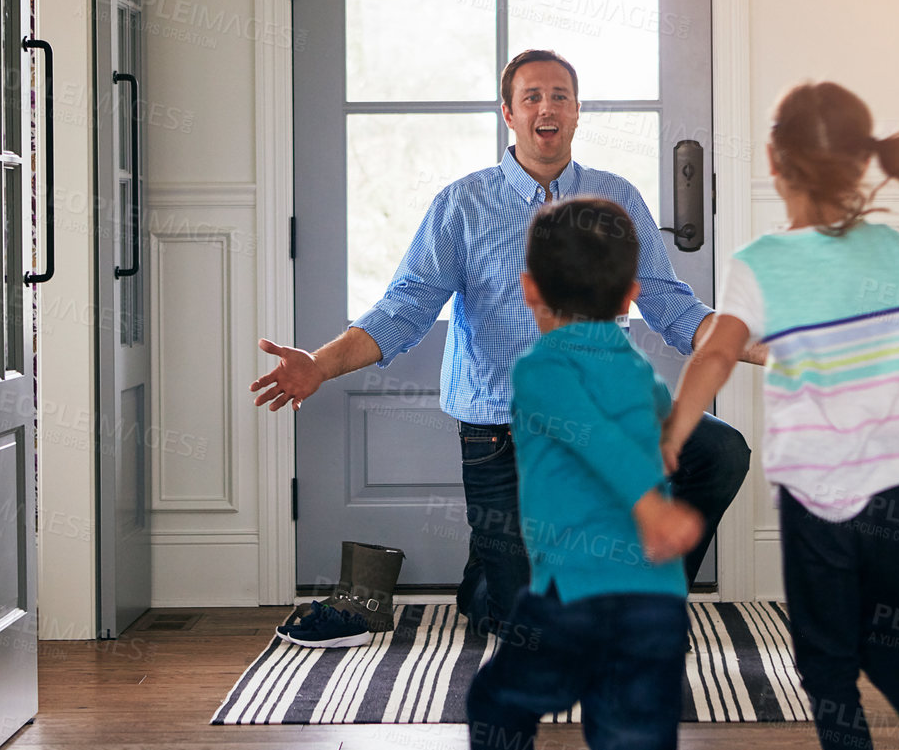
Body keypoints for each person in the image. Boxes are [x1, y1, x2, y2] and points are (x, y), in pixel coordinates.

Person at [252, 49, 758, 636]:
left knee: (718, 451)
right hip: (503, 434)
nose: (548, 107)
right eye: (532, 97)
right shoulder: (462, 204)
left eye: (560, 96)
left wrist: (757, 344)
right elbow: (405, 309)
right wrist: (318, 364)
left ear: (576, 113)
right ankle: (491, 576)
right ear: (509, 114)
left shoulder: (616, 198)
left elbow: (670, 304)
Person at [661, 81, 899, 750]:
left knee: (827, 666)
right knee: (883, 637)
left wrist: (674, 434)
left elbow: (718, 353)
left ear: (774, 159)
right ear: (860, 165)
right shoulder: (888, 247)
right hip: (897, 484)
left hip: (818, 493)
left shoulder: (759, 263)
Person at [467, 196, 703, 750]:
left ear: (527, 288)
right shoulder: (639, 371)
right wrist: (668, 440)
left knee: (496, 704)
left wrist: (649, 505)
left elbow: (594, 437)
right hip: (658, 606)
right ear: (631, 295)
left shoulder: (539, 368)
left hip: (574, 597)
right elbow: (641, 435)